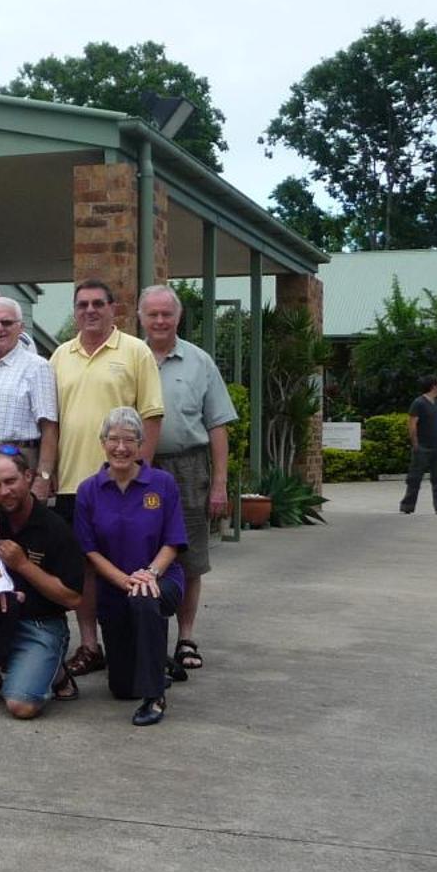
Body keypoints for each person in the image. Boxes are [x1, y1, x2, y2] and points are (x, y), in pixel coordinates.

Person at [51, 278, 164, 678]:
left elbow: (151, 415)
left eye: (99, 303)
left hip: (122, 482)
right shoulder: (60, 356)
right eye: (82, 304)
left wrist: (141, 474)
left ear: (113, 308)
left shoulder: (136, 352)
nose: (90, 310)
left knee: (128, 559)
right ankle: (89, 644)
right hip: (71, 483)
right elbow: (53, 422)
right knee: (83, 567)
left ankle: (133, 640)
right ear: (75, 310)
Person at [139, 284, 238, 676]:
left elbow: (217, 426)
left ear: (178, 317)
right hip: (139, 469)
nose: (160, 321)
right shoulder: (128, 357)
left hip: (188, 468)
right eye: (153, 314)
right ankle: (145, 639)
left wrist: (219, 483)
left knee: (190, 556)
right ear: (141, 318)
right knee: (140, 552)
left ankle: (186, 638)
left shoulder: (200, 362)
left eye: (167, 314)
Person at [0, 449, 85, 719]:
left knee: (21, 706)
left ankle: (55, 672)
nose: (4, 491)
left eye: (11, 481)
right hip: (0, 616)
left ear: (28, 477)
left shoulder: (54, 528)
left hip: (41, 624)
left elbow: (73, 598)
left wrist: (22, 565)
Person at [75, 407, 186, 726]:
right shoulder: (88, 491)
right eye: (113, 439)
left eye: (129, 440)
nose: (120, 448)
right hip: (114, 589)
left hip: (161, 581)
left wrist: (149, 574)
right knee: (123, 688)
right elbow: (90, 551)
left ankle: (155, 697)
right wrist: (125, 580)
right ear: (102, 442)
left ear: (140, 445)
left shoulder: (162, 484)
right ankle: (154, 659)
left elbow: (173, 541)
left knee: (144, 598)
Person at [0, 297, 58, 507]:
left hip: (18, 459)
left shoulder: (37, 367)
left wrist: (43, 477)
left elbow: (49, 427)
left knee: (19, 532)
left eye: (6, 323)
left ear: (20, 327)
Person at [401, 374, 437, 515]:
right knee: (414, 478)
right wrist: (415, 443)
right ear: (433, 386)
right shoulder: (418, 403)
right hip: (422, 446)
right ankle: (407, 506)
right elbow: (412, 424)